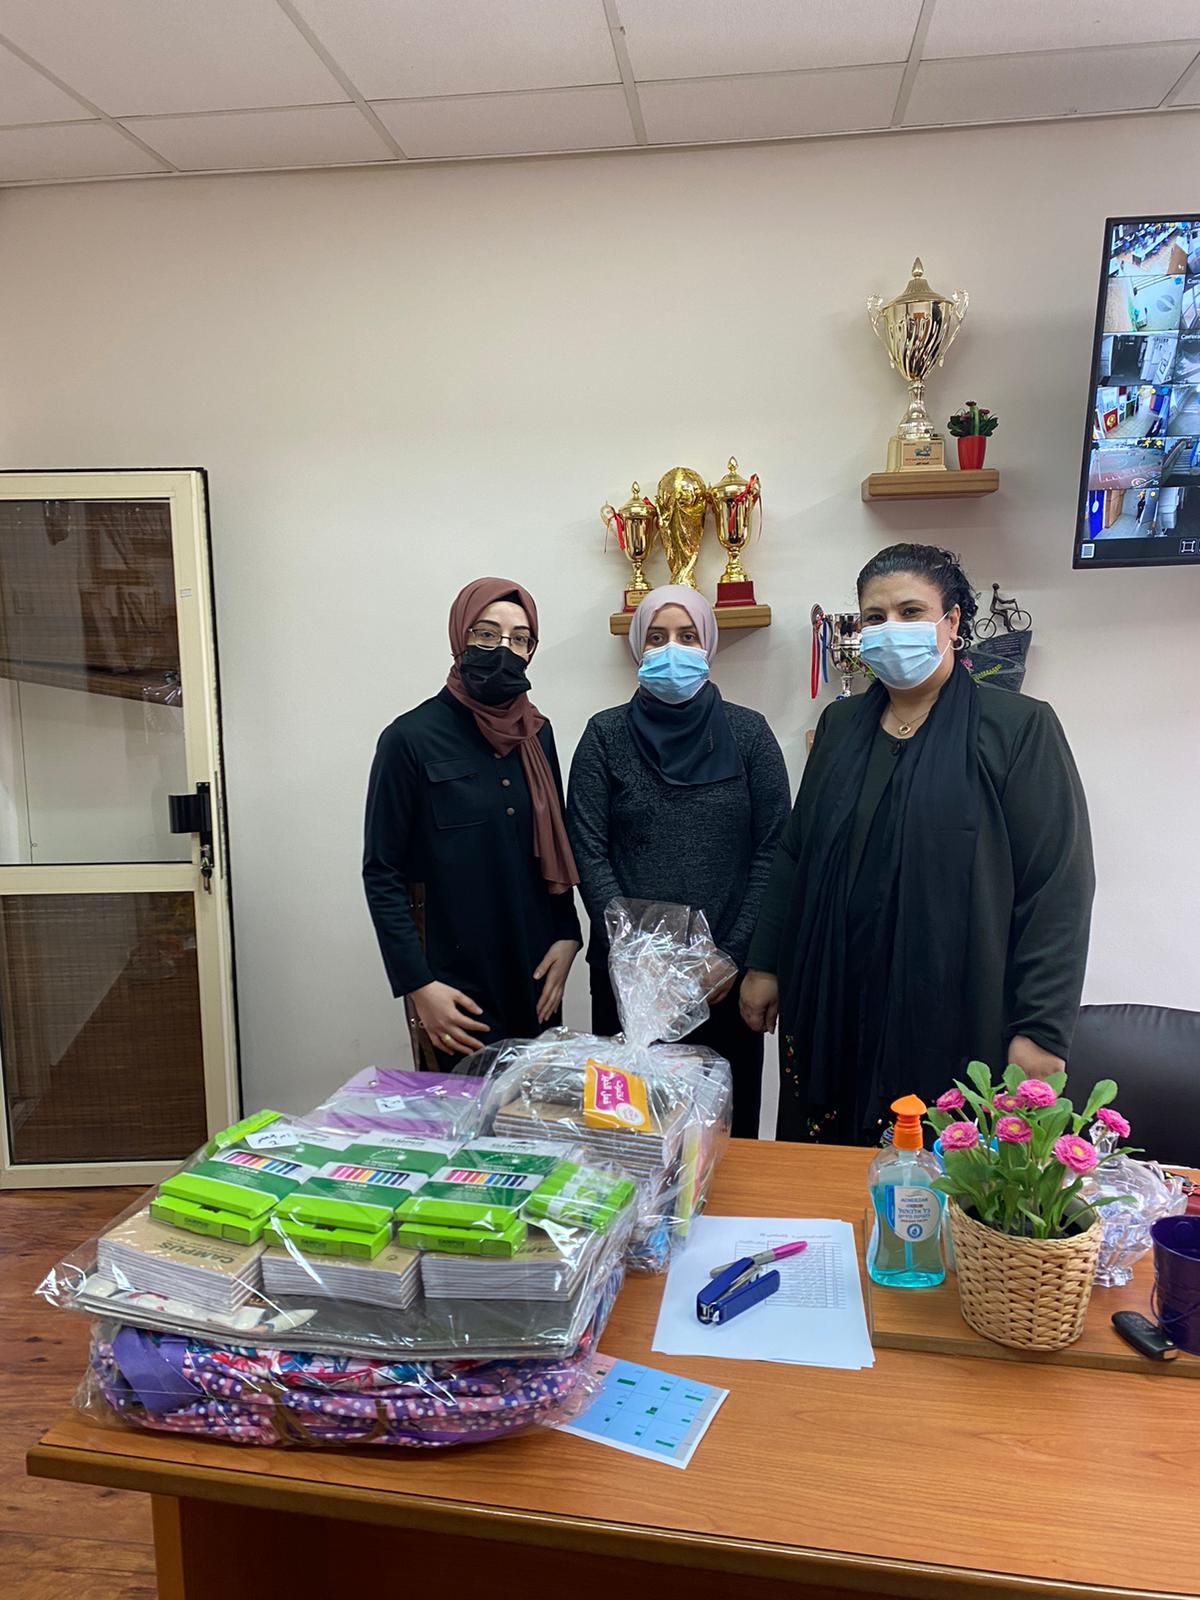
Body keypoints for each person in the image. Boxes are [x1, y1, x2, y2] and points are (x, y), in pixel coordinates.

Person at [741, 544, 1095, 1145]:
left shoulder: (1018, 728)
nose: (891, 628)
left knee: (931, 1174)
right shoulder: (840, 726)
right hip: (834, 994)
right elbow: (796, 850)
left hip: (952, 1005)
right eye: (874, 617)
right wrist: (766, 963)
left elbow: (1057, 885)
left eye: (910, 612)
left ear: (951, 622)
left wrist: (1041, 1028)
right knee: (824, 1169)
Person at [567, 585, 791, 1137]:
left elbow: (774, 849)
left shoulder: (750, 733)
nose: (673, 649)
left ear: (708, 644)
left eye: (687, 636)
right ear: (638, 649)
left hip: (724, 981)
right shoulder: (604, 735)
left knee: (725, 1135)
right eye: (657, 637)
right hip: (629, 982)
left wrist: (729, 956)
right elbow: (588, 848)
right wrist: (637, 956)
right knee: (630, 1133)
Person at [364, 577, 581, 1065]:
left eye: (519, 639)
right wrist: (419, 985)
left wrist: (569, 935)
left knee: (535, 1109)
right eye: (486, 634)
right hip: (452, 988)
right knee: (456, 1111)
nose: (503, 649)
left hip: (536, 971)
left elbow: (554, 843)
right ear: (459, 636)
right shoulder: (409, 739)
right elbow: (382, 872)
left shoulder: (536, 735)